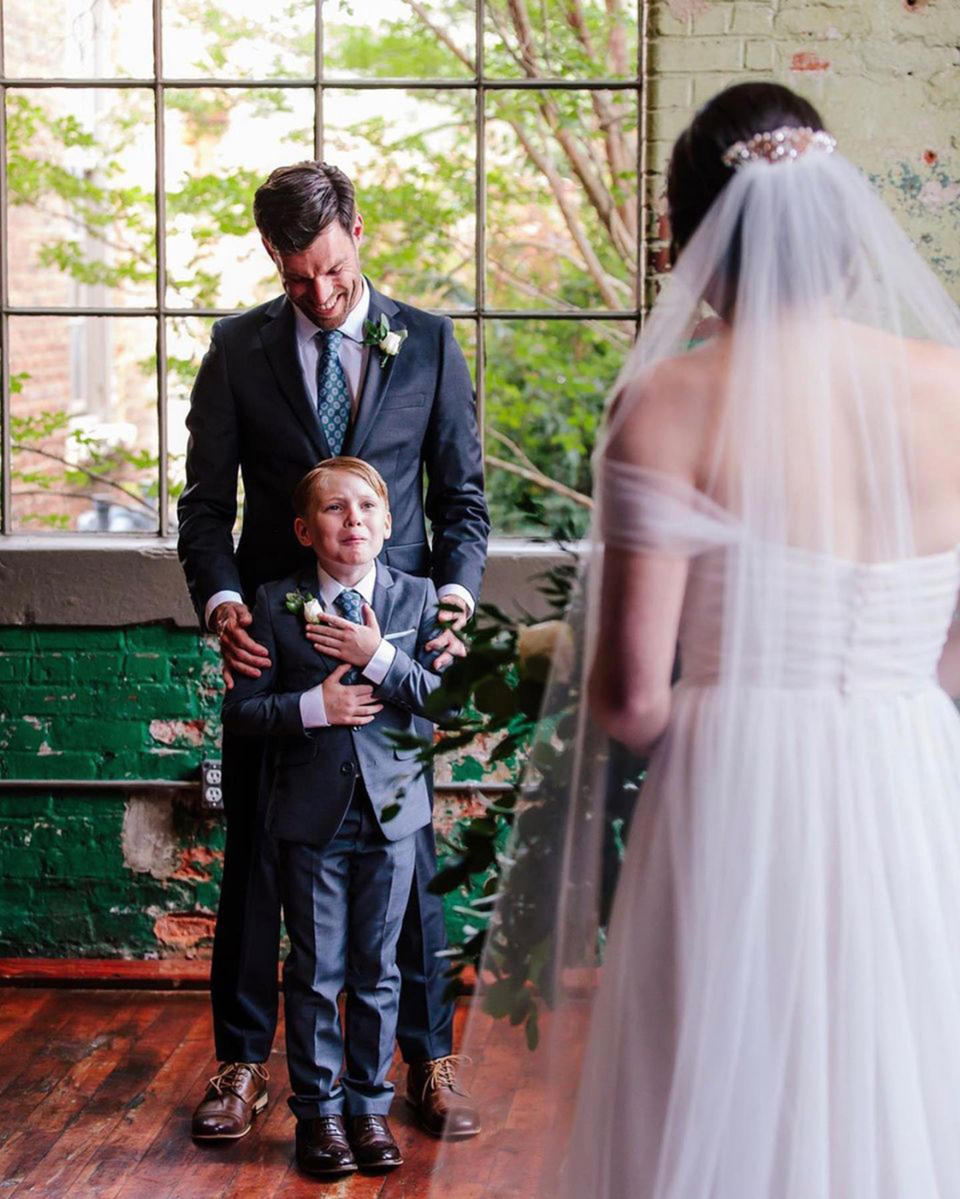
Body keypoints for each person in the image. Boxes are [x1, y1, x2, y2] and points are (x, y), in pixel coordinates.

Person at [429, 81, 960, 1197]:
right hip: (916, 765)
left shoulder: (667, 402)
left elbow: (627, 696)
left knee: (726, 1077)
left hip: (738, 781)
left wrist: (725, 713)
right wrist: (902, 703)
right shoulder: (951, 388)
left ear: (687, 239)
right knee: (898, 1063)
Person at [177, 161, 488, 1142]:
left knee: (407, 858)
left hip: (394, 639)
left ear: (357, 228)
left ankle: (427, 1059)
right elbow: (203, 509)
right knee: (259, 867)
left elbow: (463, 504)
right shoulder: (236, 350)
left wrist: (453, 597)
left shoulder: (429, 342)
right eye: (296, 276)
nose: (318, 293)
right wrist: (225, 602)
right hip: (277, 655)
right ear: (272, 259)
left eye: (333, 270)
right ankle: (239, 1061)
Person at [221, 457, 449, 1176]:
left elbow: (444, 701)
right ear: (303, 528)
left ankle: (369, 1108)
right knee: (316, 969)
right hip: (310, 820)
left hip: (392, 818)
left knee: (379, 969)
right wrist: (315, 707)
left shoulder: (415, 602)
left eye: (365, 509)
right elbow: (244, 710)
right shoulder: (273, 599)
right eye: (333, 509)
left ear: (388, 523)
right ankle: (318, 1116)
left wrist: (375, 653)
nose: (351, 520)